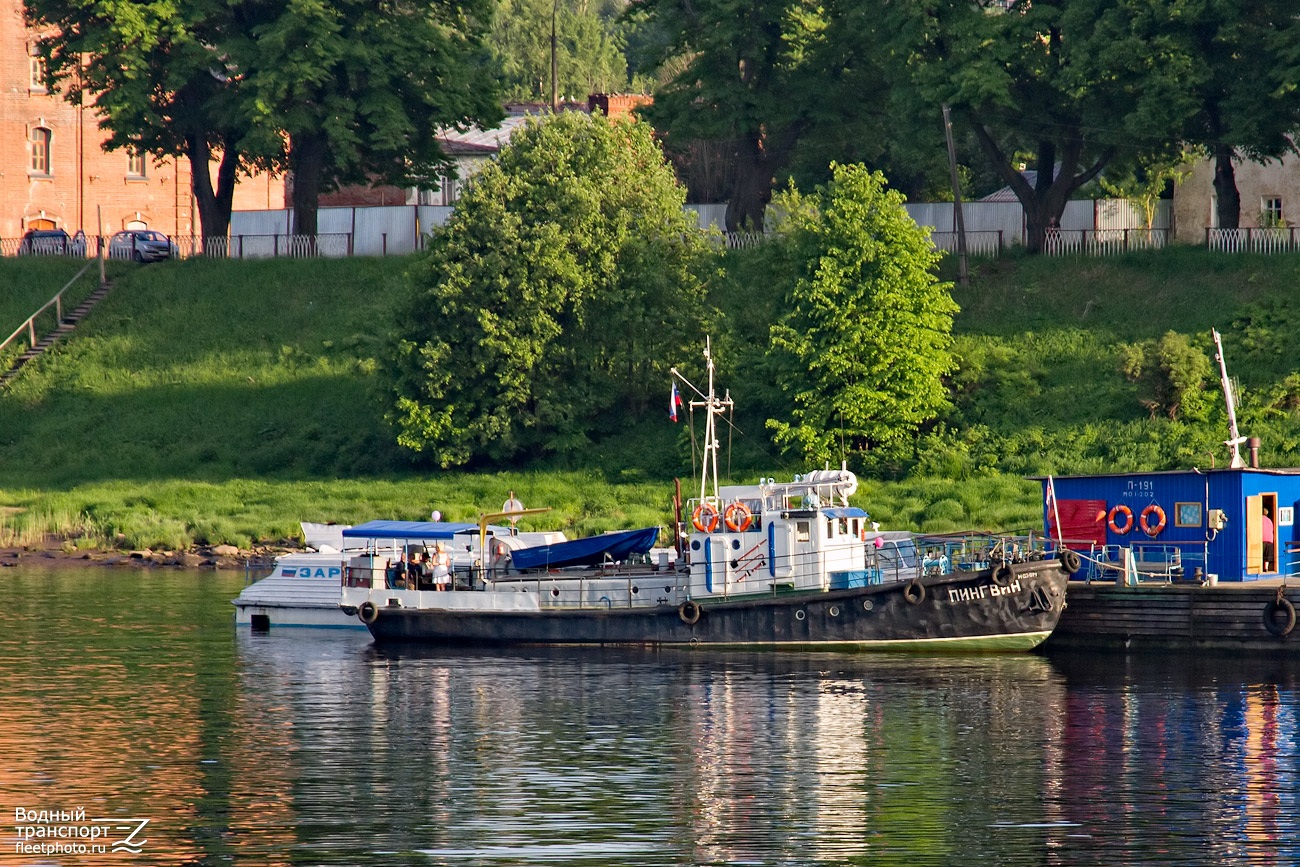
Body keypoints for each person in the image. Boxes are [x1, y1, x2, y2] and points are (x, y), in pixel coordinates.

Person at [1262, 505, 1276, 572]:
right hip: (1270, 539)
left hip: (1262, 539)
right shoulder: (1269, 520)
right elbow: (1272, 529)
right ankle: (1266, 568)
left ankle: (1260, 567)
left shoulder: (1259, 519)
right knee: (1267, 555)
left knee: (1260, 554)